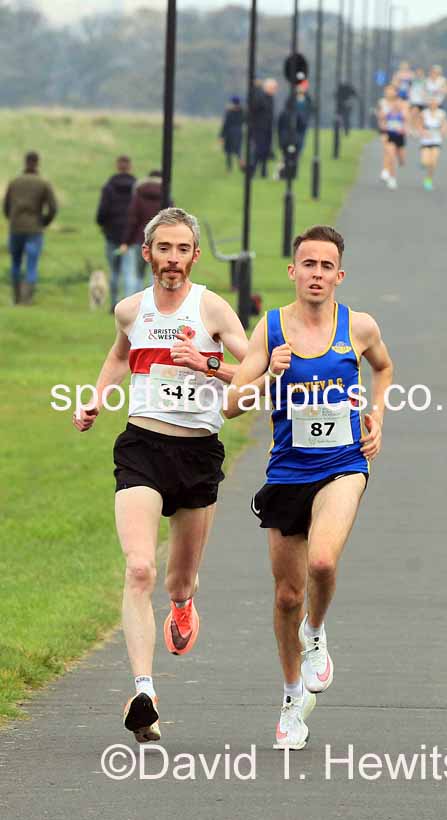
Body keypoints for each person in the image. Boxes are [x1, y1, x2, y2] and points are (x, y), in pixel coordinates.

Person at [73, 207, 248, 743]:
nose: (172, 260)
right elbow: (120, 355)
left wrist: (207, 365)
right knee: (141, 568)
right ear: (147, 253)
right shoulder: (131, 309)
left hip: (198, 454)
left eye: (182, 250)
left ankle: (184, 603)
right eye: (163, 249)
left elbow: (254, 369)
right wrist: (95, 400)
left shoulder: (212, 308)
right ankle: (144, 691)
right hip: (143, 447)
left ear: (195, 255)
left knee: (178, 579)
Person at [225, 225, 393, 750]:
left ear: (338, 276)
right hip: (287, 472)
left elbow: (384, 369)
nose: (316, 274)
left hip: (343, 463)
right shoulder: (270, 329)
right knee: (285, 596)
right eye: (308, 264)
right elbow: (231, 405)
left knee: (322, 562)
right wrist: (268, 377)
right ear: (292, 271)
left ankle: (315, 635)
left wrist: (376, 413)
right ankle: (293, 697)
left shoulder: (359, 327)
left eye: (326, 266)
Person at [3, 151, 57, 305]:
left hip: (15, 229)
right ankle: (27, 300)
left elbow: (6, 207)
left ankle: (16, 298)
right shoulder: (43, 183)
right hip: (34, 230)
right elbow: (53, 208)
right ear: (37, 163)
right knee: (31, 265)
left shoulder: (14, 182)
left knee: (15, 263)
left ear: (25, 162)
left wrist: (12, 220)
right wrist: (44, 222)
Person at [96, 155, 136, 311]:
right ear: (130, 167)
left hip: (112, 234)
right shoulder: (136, 187)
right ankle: (128, 306)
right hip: (130, 235)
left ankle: (114, 303)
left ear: (117, 167)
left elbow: (102, 212)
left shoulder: (109, 187)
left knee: (114, 272)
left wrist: (103, 224)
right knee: (128, 271)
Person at [120, 170, 169, 291]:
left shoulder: (138, 196)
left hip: (140, 240)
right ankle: (155, 303)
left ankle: (136, 304)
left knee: (138, 274)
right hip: (161, 241)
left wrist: (126, 241)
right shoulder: (166, 197)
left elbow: (132, 220)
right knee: (156, 274)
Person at [248, 78, 278, 178]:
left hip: (268, 129)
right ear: (268, 87)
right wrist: (256, 88)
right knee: (258, 151)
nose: (275, 90)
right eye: (273, 88)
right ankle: (252, 171)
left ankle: (263, 172)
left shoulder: (271, 98)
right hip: (258, 129)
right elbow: (253, 107)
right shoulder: (259, 96)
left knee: (265, 151)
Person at [419, 97, 447, 190]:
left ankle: (428, 180)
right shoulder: (424, 113)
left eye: (435, 102)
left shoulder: (441, 113)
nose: (433, 103)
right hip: (426, 140)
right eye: (431, 102)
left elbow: (444, 125)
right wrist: (423, 132)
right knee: (425, 161)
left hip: (436, 140)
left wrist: (443, 131)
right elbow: (420, 125)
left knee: (434, 162)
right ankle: (424, 165)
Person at [381, 88, 408, 190]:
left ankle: (401, 161)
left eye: (397, 102)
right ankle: (392, 178)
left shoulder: (402, 112)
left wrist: (404, 129)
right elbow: (382, 121)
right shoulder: (388, 112)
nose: (395, 104)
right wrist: (384, 127)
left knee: (401, 160)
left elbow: (406, 123)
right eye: (393, 102)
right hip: (391, 135)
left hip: (400, 137)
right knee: (391, 156)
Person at [376, 84, 398, 183]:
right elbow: (380, 116)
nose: (390, 93)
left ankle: (389, 172)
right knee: (388, 150)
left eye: (392, 90)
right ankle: (386, 171)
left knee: (391, 153)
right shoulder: (382, 102)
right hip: (385, 129)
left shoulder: (399, 103)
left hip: (396, 130)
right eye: (388, 90)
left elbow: (404, 116)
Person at [219, 96, 244, 171]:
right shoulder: (242, 111)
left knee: (228, 151)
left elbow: (226, 124)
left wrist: (221, 135)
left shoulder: (229, 112)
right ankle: (241, 164)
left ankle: (229, 167)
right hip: (239, 132)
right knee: (239, 150)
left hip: (230, 132)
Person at [409, 67, 427, 131]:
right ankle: (412, 128)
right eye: (418, 72)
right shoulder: (412, 80)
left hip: (422, 102)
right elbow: (409, 90)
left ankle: (419, 129)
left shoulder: (425, 81)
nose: (419, 74)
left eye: (420, 72)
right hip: (414, 101)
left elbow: (426, 91)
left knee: (420, 117)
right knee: (413, 115)